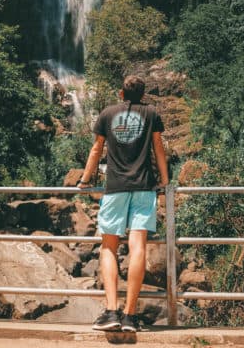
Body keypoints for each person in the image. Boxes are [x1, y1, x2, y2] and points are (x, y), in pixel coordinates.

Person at [77, 75, 169, 332]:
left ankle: (111, 312)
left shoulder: (107, 113)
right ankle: (130, 315)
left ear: (121, 94)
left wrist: (85, 180)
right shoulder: (151, 113)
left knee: (108, 248)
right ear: (143, 95)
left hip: (115, 187)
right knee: (138, 248)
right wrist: (165, 180)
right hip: (144, 187)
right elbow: (159, 150)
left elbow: (96, 150)